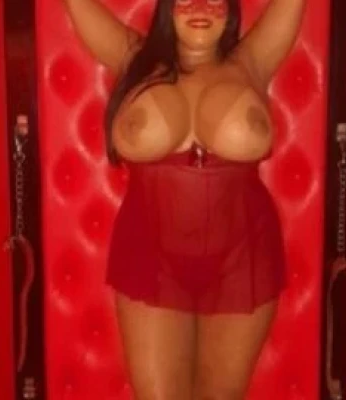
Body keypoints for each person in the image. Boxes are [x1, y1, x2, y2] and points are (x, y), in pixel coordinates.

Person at [62, 0, 306, 399]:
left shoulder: (253, 61)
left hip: (243, 256)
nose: (200, 7)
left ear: (231, 10)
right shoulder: (134, 58)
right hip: (150, 256)